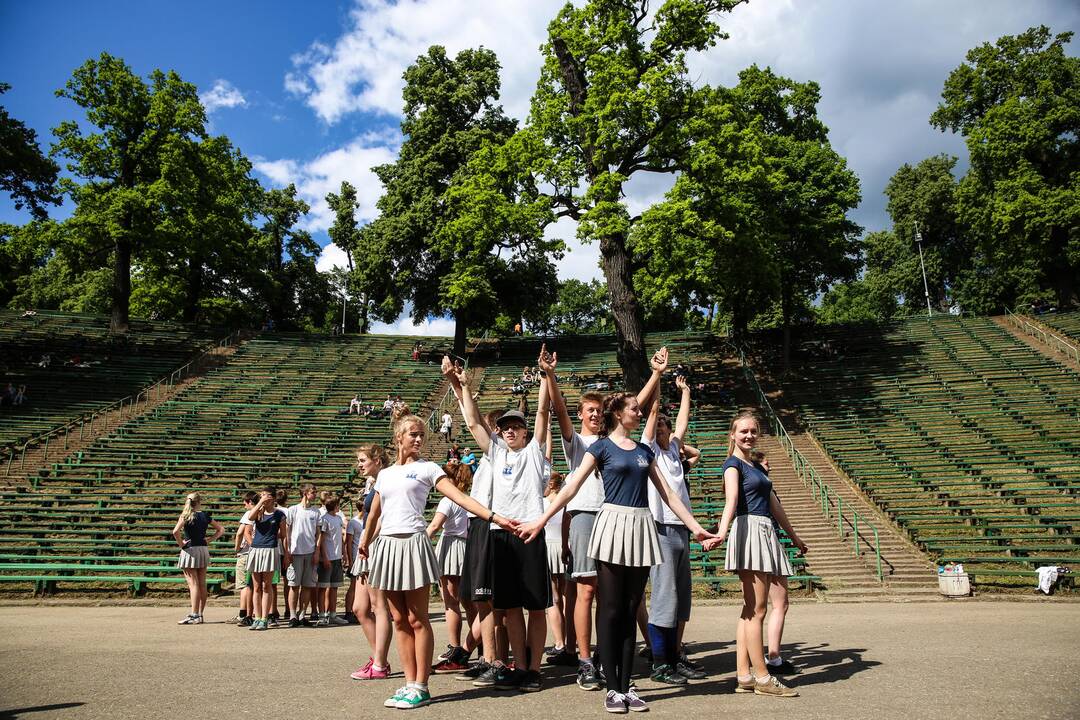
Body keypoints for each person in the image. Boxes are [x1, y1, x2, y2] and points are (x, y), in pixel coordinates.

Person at [520, 376, 717, 714]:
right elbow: (569, 489)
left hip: (641, 526)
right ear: (618, 413)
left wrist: (696, 527)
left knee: (629, 609)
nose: (638, 413)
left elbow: (669, 494)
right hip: (611, 526)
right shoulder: (600, 448)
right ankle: (611, 687)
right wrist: (541, 519)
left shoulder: (643, 451)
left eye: (639, 409)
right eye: (633, 409)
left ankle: (626, 686)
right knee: (610, 610)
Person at [358, 413, 517, 709]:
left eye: (421, 435)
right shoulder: (384, 474)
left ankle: (421, 685)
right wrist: (365, 542)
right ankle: (408, 683)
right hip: (387, 546)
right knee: (399, 619)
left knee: (418, 618)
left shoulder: (428, 468)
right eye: (413, 435)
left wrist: (495, 517)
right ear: (399, 437)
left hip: (414, 543)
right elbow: (374, 514)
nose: (418, 439)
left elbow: (460, 498)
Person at [544, 346, 671, 691]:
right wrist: (551, 377)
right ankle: (585, 660)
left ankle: (616, 655)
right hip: (586, 514)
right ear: (581, 415)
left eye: (600, 411)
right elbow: (557, 410)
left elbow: (634, 406)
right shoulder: (578, 442)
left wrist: (656, 375)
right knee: (586, 590)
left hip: (620, 519)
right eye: (589, 411)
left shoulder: (614, 441)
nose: (595, 415)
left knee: (620, 598)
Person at [443, 350, 553, 693]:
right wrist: (462, 387)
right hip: (500, 533)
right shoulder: (496, 452)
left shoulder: (534, 452)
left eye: (516, 426)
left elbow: (542, 413)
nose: (510, 430)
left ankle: (534, 670)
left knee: (535, 606)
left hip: (530, 532)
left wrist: (546, 376)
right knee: (510, 607)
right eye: (505, 426)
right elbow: (474, 422)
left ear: (524, 432)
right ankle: (518, 666)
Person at [702, 411, 807, 697]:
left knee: (750, 609)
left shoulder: (756, 468)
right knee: (757, 609)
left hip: (764, 531)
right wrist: (721, 533)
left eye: (753, 431)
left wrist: (794, 538)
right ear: (733, 435)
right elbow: (732, 501)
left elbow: (775, 507)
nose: (749, 435)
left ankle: (744, 675)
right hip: (750, 530)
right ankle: (762, 678)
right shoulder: (733, 465)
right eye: (743, 431)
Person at [641, 373, 705, 685]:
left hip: (682, 529)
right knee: (665, 596)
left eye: (667, 426)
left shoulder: (675, 452)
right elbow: (653, 417)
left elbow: (683, 421)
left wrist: (686, 392)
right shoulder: (649, 450)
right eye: (660, 426)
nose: (666, 428)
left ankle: (676, 655)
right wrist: (659, 380)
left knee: (682, 600)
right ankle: (659, 662)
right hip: (660, 528)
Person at [750, 449, 799, 675]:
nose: (770, 469)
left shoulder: (746, 489)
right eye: (767, 465)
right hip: (768, 542)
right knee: (778, 604)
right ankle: (773, 657)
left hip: (754, 544)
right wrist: (795, 539)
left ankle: (757, 657)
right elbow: (779, 514)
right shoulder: (765, 488)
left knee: (753, 608)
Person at [350, 444, 395, 681]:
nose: (359, 464)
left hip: (374, 545)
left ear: (377, 460)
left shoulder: (386, 480)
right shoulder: (372, 482)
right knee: (359, 608)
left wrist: (369, 540)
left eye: (363, 460)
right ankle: (378, 658)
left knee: (379, 607)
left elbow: (381, 517)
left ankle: (379, 664)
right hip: (366, 545)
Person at [426, 461, 472, 672]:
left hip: (451, 546)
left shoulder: (448, 500)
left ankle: (455, 647)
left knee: (451, 602)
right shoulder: (470, 498)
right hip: (466, 547)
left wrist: (421, 543)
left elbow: (435, 525)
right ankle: (473, 645)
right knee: (469, 601)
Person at [173, 492, 224, 624]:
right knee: (202, 583)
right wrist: (210, 540)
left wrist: (181, 544)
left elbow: (175, 531)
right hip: (203, 549)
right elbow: (221, 529)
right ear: (199, 501)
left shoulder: (186, 515)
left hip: (190, 549)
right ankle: (200, 614)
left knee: (193, 584)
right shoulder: (205, 516)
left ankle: (194, 614)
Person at [246, 489, 289, 631]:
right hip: (256, 549)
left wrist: (286, 554)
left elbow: (283, 536)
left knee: (267, 585)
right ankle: (257, 618)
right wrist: (259, 503)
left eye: (267, 495)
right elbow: (250, 518)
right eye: (262, 495)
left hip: (270, 549)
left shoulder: (279, 514)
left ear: (273, 498)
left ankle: (265, 618)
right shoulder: (259, 512)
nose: (265, 497)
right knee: (256, 586)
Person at [286, 484, 321, 627]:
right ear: (305, 493)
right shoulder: (293, 510)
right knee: (294, 585)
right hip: (296, 552)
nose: (315, 495)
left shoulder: (316, 512)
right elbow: (287, 532)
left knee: (307, 585)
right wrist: (288, 550)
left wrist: (317, 552)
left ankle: (302, 614)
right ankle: (293, 615)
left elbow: (319, 534)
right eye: (313, 492)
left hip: (310, 552)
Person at [233, 491, 259, 626]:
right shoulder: (261, 512)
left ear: (250, 502)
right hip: (258, 551)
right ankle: (255, 612)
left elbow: (239, 533)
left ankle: (243, 613)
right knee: (255, 585)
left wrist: (236, 548)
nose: (244, 506)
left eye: (245, 503)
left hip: (246, 552)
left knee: (245, 585)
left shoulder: (248, 515)